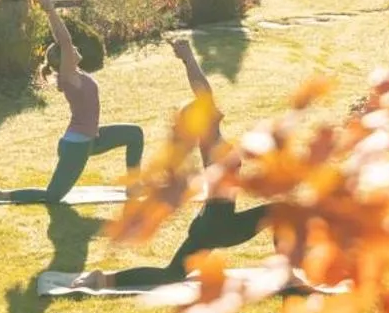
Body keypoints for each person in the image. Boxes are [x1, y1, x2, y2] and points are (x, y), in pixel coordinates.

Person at [79, 37, 271, 289]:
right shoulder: (212, 143)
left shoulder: (214, 140)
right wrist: (188, 58)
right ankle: (288, 273)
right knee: (280, 211)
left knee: (171, 275)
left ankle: (104, 279)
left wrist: (188, 59)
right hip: (221, 225)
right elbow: (204, 92)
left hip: (209, 223)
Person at [0, 0, 143, 203]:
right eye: (71, 50)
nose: (75, 49)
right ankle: (0, 194)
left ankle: (133, 186)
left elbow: (66, 45)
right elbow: (65, 41)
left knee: (134, 134)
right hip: (77, 145)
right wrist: (50, 10)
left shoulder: (76, 75)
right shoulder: (68, 77)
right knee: (53, 196)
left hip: (92, 139)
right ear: (64, 59)